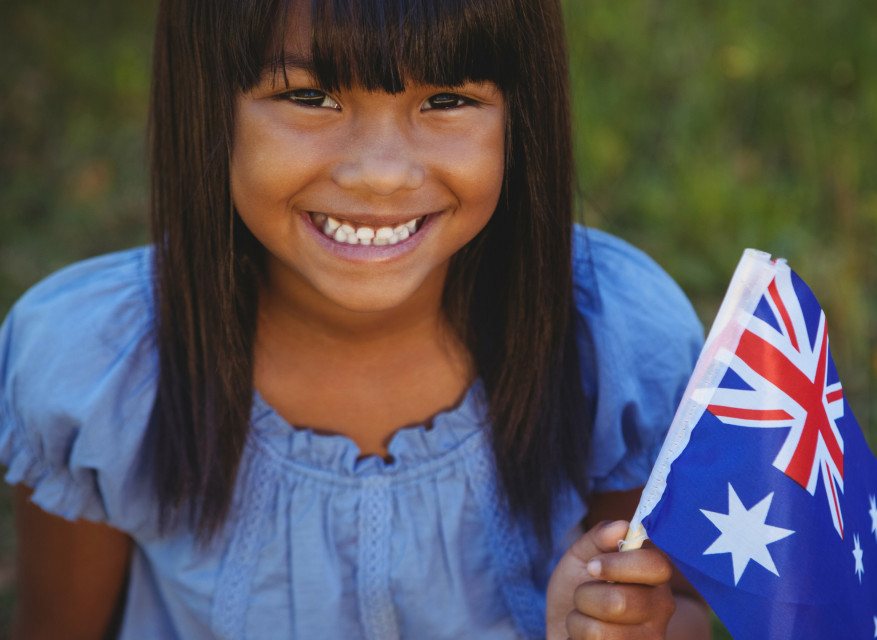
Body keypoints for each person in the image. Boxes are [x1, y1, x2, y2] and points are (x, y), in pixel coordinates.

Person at [0, 0, 711, 637]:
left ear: (522, 112)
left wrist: (622, 624)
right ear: (208, 103)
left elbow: (680, 608)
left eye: (447, 98)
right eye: (309, 96)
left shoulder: (614, 342)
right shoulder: (96, 371)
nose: (381, 174)